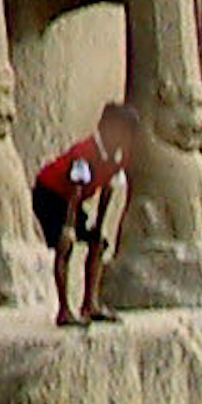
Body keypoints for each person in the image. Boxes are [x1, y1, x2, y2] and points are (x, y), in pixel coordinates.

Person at [34, 105, 139, 328]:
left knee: (98, 243)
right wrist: (69, 227)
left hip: (73, 199)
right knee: (66, 245)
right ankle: (64, 309)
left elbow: (109, 190)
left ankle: (90, 303)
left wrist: (100, 227)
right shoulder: (85, 152)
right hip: (51, 194)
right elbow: (76, 188)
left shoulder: (117, 155)